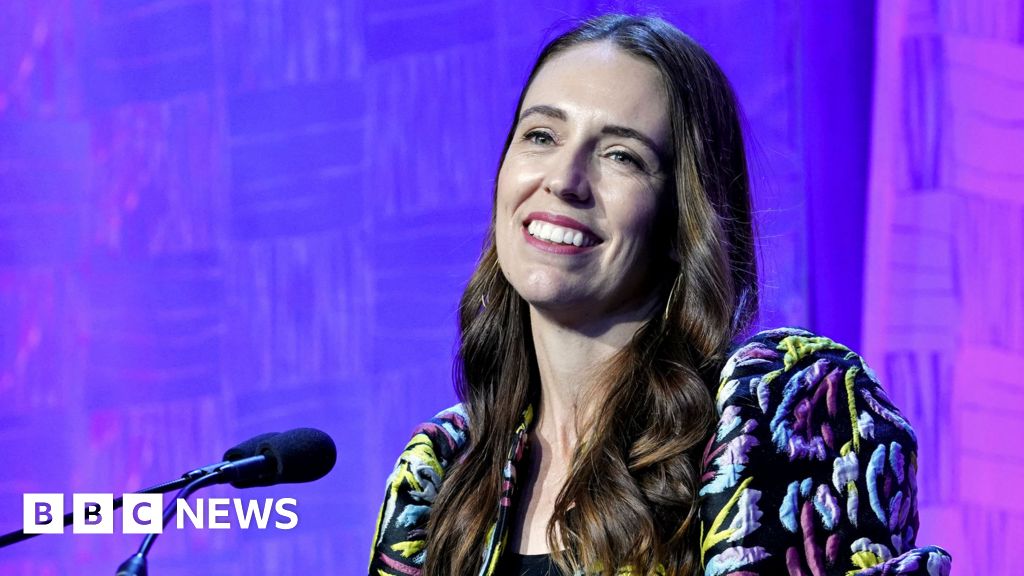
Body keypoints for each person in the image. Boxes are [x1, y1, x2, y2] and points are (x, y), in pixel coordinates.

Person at [368, 13, 951, 576]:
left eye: (621, 155)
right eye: (541, 135)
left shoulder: (777, 412)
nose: (564, 180)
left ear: (681, 221)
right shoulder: (442, 470)